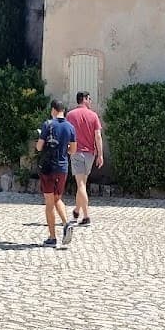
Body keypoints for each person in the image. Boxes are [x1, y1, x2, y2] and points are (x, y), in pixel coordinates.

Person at [35, 99, 77, 248]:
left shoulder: (48, 125)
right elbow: (73, 150)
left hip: (48, 168)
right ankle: (66, 224)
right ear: (63, 111)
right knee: (58, 198)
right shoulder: (70, 127)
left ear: (53, 110)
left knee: (49, 202)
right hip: (63, 167)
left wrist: (42, 141)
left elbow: (39, 147)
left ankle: (52, 237)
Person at [66, 91, 104, 226]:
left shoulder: (70, 115)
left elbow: (67, 133)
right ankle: (77, 211)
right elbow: (98, 136)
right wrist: (100, 154)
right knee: (81, 183)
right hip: (90, 154)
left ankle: (86, 216)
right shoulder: (93, 116)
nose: (91, 101)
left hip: (76, 152)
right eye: (89, 98)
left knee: (80, 184)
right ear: (84, 99)